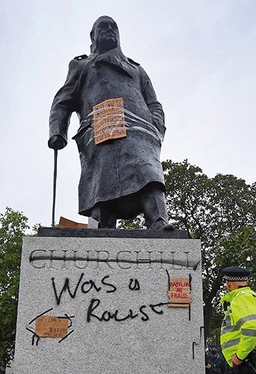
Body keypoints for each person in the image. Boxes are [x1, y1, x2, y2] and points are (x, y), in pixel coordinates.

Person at [48, 16, 173, 231]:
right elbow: (63, 101)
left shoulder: (137, 69)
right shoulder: (82, 65)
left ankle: (159, 221)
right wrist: (57, 131)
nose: (109, 30)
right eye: (102, 27)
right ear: (93, 36)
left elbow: (154, 103)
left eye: (113, 26)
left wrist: (156, 126)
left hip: (140, 129)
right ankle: (101, 229)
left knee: (149, 171)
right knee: (102, 182)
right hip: (102, 125)